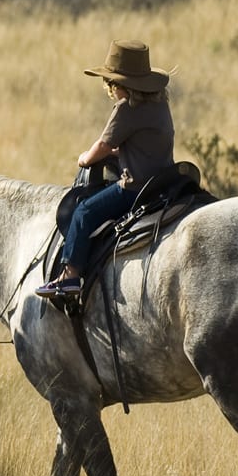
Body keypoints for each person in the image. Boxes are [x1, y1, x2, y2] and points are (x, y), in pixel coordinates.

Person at [35, 40, 174, 298]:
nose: (111, 90)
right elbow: (145, 144)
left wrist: (85, 159)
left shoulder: (126, 108)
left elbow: (102, 144)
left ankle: (70, 277)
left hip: (136, 186)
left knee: (84, 212)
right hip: (164, 181)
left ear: (122, 86)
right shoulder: (159, 103)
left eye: (112, 84)